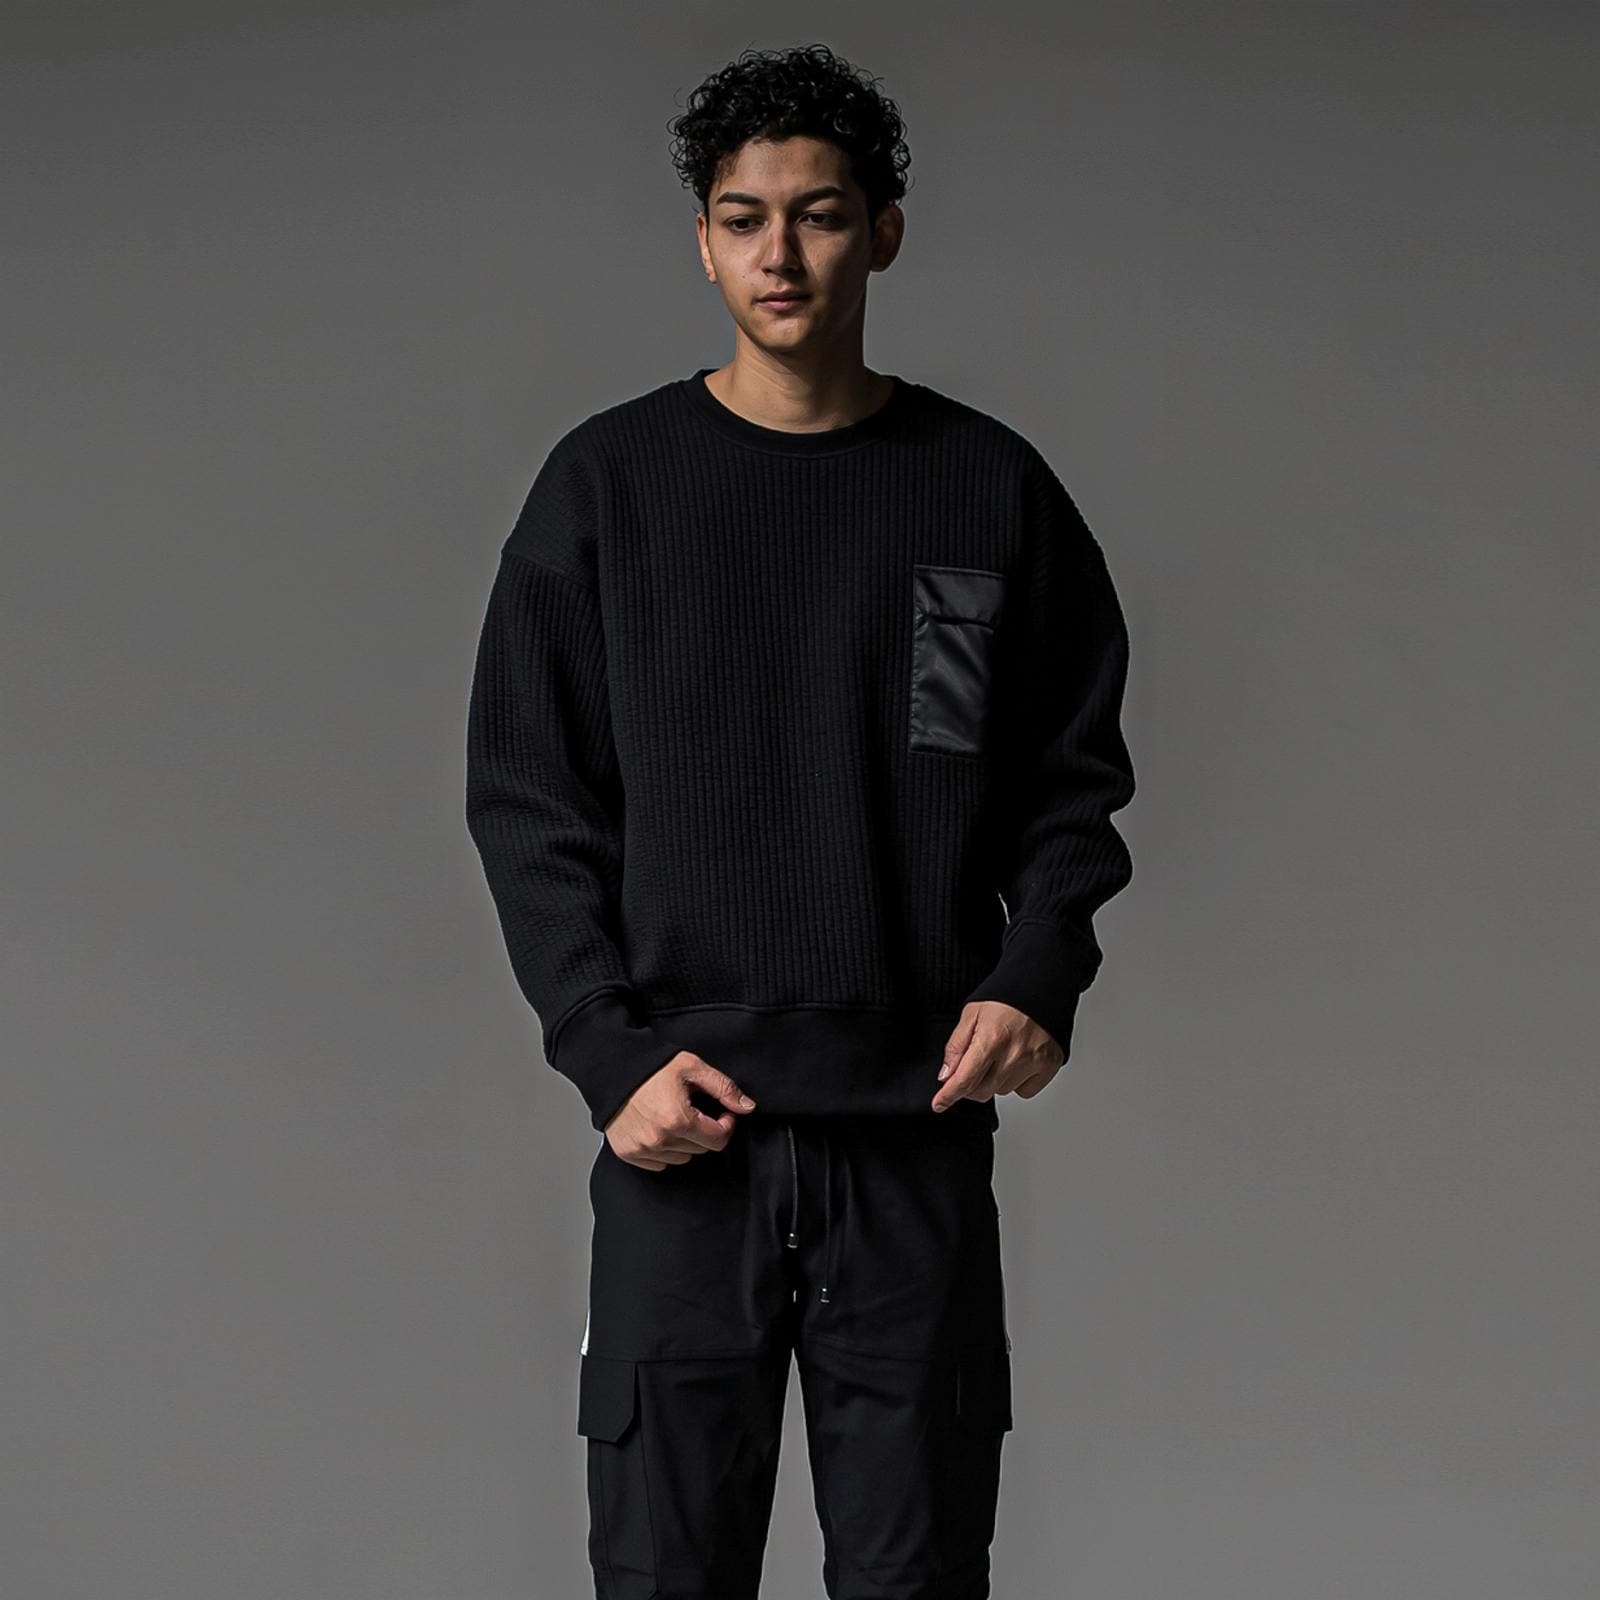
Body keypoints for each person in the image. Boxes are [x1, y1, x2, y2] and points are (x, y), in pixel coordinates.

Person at [464, 42, 1135, 1600]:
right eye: (744, 218)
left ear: (882, 233)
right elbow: (527, 797)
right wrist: (607, 1054)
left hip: (912, 1140)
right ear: (702, 244)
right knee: (666, 1578)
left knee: (917, 1579)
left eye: (820, 215)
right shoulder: (609, 488)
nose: (782, 254)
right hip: (681, 1138)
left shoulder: (985, 489)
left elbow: (1068, 778)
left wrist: (1037, 973)